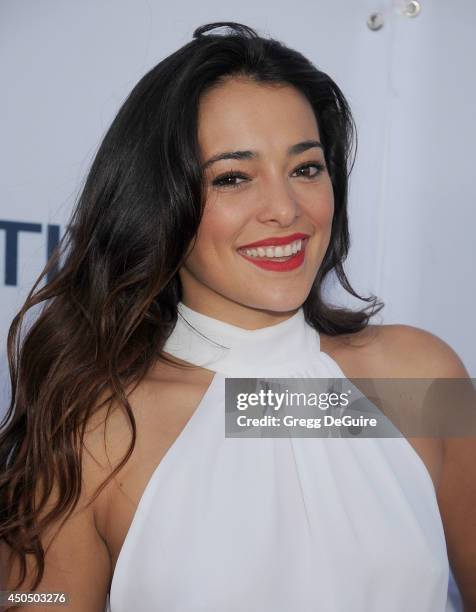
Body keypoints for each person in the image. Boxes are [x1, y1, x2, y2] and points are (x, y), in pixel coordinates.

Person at [0, 20, 474, 612]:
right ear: (161, 202)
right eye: (232, 177)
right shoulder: (98, 428)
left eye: (306, 168)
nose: (285, 209)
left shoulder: (420, 378)